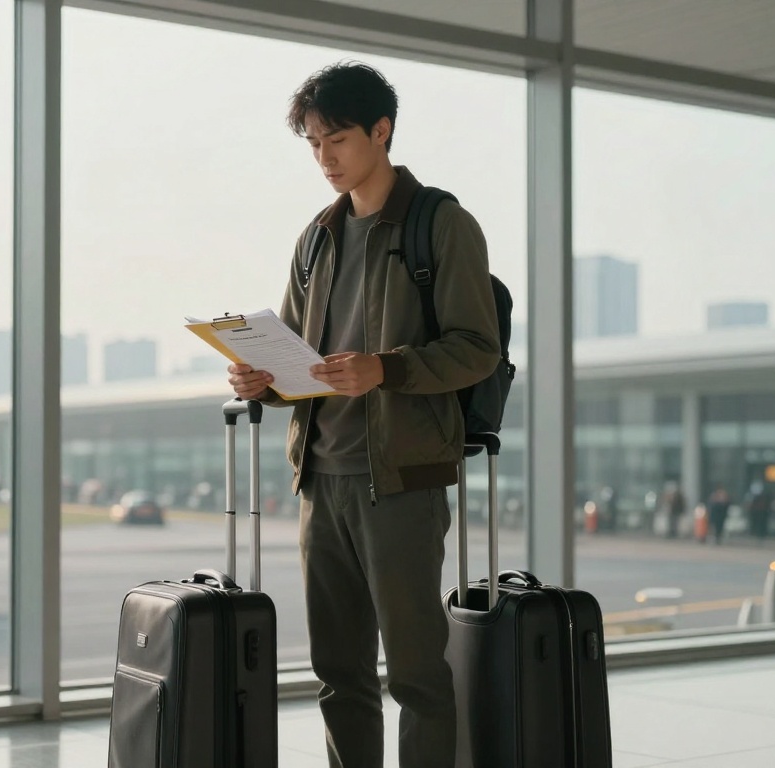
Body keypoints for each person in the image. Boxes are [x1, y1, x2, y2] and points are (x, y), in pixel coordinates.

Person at [227, 62, 500, 768]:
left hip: (400, 481)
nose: (325, 157)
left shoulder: (441, 224)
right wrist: (262, 380)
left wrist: (388, 367)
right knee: (339, 675)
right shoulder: (315, 239)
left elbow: (477, 349)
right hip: (321, 479)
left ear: (382, 132)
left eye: (338, 139)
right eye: (314, 143)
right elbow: (297, 360)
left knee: (415, 674)